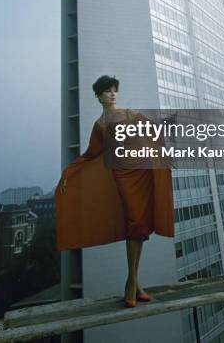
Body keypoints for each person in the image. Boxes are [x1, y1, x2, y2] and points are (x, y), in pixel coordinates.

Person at [55, 75, 174, 308]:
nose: (112, 94)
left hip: (142, 170)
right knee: (135, 223)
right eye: (107, 91)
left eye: (114, 90)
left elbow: (153, 132)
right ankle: (131, 283)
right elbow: (91, 154)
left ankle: (134, 283)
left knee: (139, 228)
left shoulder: (129, 113)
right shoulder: (99, 125)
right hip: (122, 175)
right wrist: (69, 172)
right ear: (99, 96)